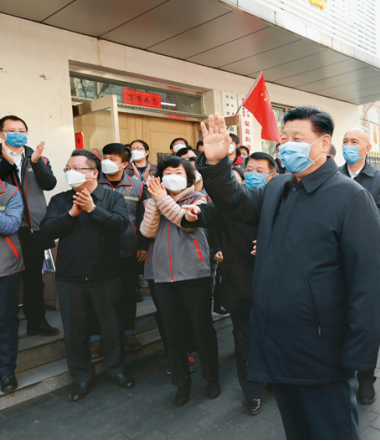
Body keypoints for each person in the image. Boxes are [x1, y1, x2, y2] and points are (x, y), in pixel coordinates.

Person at [190, 109, 380, 440]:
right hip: (277, 343)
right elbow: (236, 203)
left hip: (324, 351)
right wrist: (217, 164)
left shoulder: (352, 198)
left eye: (298, 138)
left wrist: (358, 357)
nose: (287, 145)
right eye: (283, 139)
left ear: (323, 143)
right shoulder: (278, 187)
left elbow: (371, 285)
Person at [41, 149, 134, 402]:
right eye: (67, 168)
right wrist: (71, 214)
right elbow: (47, 230)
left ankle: (117, 369)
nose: (69, 172)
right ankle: (81, 376)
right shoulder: (60, 200)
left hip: (106, 274)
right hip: (70, 277)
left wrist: (93, 209)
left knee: (112, 327)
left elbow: (120, 224)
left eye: (76, 168)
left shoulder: (112, 197)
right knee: (75, 331)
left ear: (94, 173)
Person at [140, 157, 220, 407]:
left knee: (201, 328)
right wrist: (156, 201)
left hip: (194, 273)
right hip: (163, 275)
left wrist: (162, 199)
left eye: (178, 172)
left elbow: (188, 225)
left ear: (188, 178)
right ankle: (182, 383)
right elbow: (147, 231)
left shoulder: (200, 199)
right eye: (167, 172)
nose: (172, 176)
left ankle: (211, 378)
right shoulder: (154, 200)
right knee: (171, 330)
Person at [213, 152, 278, 416]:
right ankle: (252, 391)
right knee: (245, 339)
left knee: (273, 337)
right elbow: (211, 213)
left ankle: (274, 378)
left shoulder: (282, 201)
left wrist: (272, 244)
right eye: (249, 169)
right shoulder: (234, 202)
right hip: (239, 283)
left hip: (273, 285)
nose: (252, 174)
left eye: (259, 171)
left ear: (272, 176)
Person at [339, 126, 380, 407]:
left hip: (368, 261)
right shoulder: (333, 175)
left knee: (367, 323)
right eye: (345, 141)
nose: (348, 145)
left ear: (367, 148)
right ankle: (342, 372)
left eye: (354, 141)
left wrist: (350, 209)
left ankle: (366, 378)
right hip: (336, 260)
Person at [0, 115, 59, 337]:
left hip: (33, 228)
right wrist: (7, 162)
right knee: (7, 280)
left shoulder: (38, 158)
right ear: (1, 134)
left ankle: (37, 322)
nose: (18, 134)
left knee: (34, 279)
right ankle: (7, 327)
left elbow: (49, 183)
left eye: (22, 130)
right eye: (11, 130)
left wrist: (36, 162)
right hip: (6, 229)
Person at [88, 143, 149, 357]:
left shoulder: (138, 186)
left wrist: (143, 244)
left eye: (112, 158)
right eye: (105, 157)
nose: (106, 161)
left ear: (124, 164)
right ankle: (96, 339)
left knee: (127, 294)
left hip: (127, 249)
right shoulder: (93, 182)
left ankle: (128, 333)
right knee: (96, 296)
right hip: (96, 250)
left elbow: (144, 217)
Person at [0, 178, 25, 394]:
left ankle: (6, 371)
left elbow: (10, 226)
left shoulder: (11, 192)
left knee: (6, 319)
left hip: (5, 267)